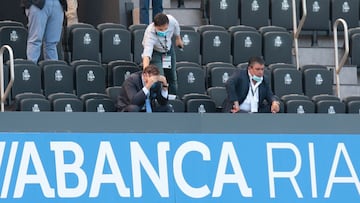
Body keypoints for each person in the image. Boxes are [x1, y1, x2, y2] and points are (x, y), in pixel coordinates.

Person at [142, 13, 184, 95]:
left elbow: (176, 27)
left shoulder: (172, 20)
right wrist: (146, 71)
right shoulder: (150, 33)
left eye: (165, 29)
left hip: (168, 50)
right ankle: (161, 100)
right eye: (160, 30)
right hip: (156, 52)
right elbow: (147, 54)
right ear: (155, 26)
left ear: (168, 24)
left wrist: (178, 39)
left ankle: (172, 99)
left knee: (172, 76)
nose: (163, 31)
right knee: (160, 77)